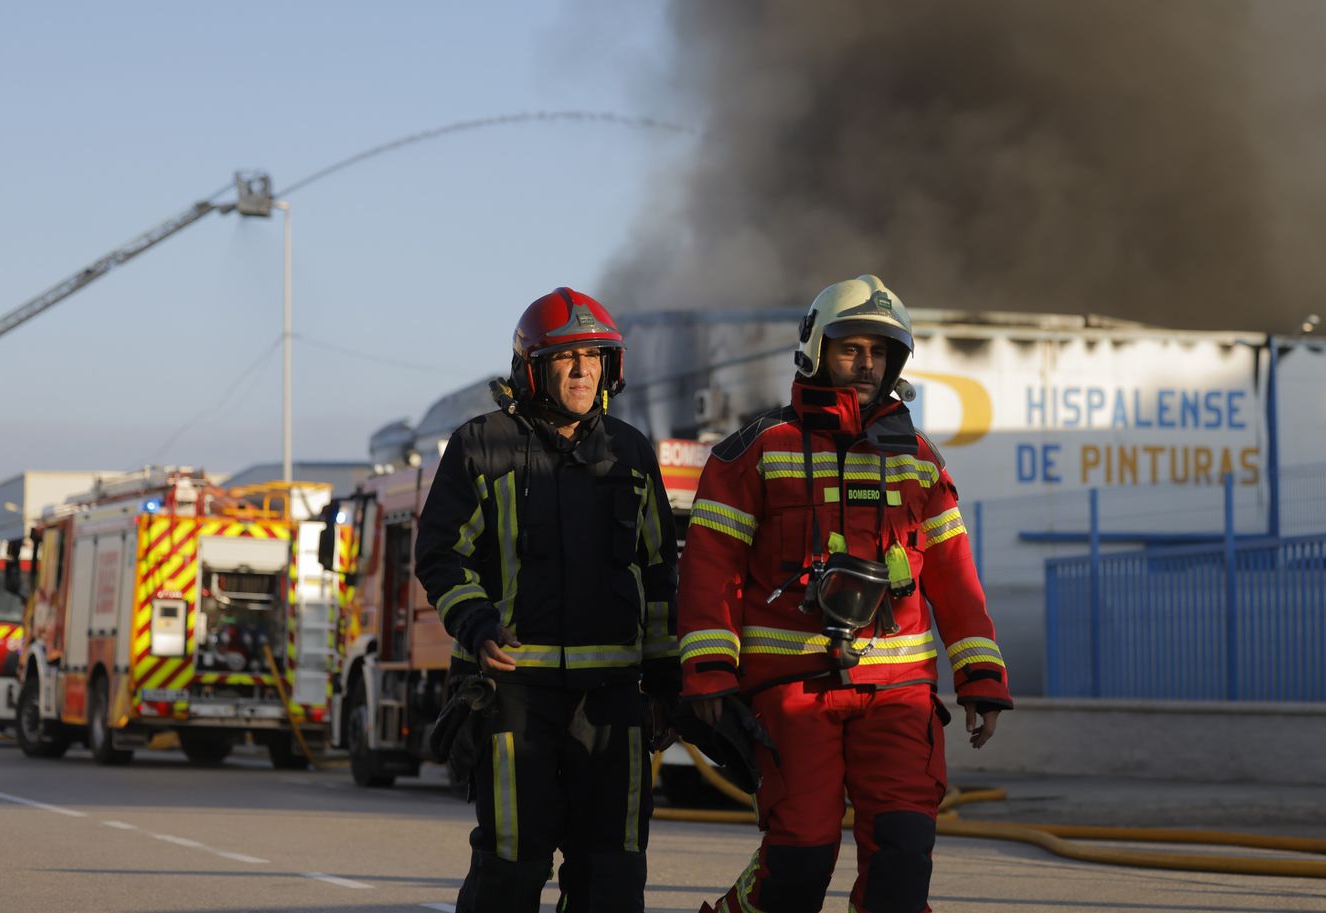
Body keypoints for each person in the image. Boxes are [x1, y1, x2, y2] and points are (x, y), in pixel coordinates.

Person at [678, 275, 1012, 913]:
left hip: (899, 696)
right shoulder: (755, 452)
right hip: (792, 690)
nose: (864, 366)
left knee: (903, 853)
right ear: (815, 350)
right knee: (800, 858)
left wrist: (981, 678)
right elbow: (711, 570)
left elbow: (955, 578)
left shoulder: (919, 460)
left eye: (878, 353)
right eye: (849, 349)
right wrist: (710, 674)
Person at [416, 287, 679, 913]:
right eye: (567, 357)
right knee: (510, 865)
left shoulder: (632, 454)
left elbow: (661, 570)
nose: (584, 370)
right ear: (532, 367)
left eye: (595, 356)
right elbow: (440, 554)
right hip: (515, 697)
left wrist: (667, 678)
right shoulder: (482, 446)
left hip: (613, 704)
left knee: (613, 875)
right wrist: (477, 624)